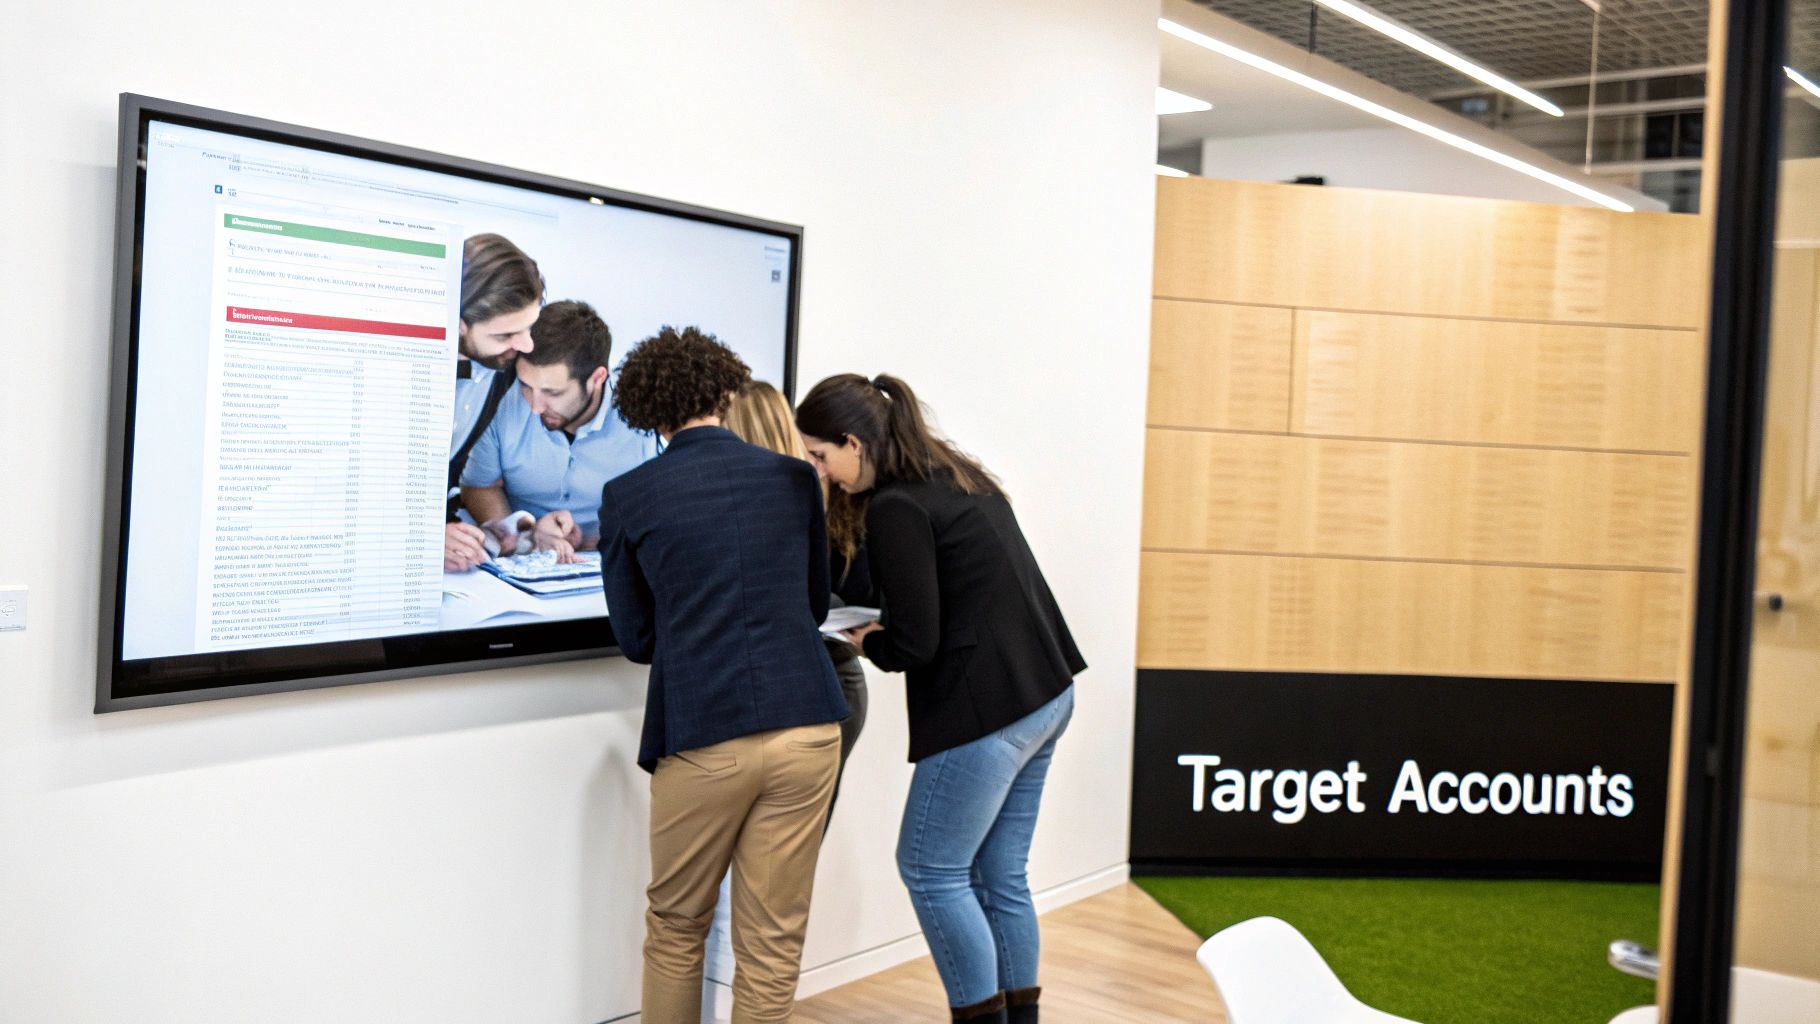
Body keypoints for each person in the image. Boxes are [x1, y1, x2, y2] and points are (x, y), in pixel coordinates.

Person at [795, 374, 1084, 1024]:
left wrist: (870, 641)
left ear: (852, 443)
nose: (821, 472)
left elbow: (915, 643)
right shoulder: (954, 477)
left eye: (820, 456)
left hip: (988, 710)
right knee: (1001, 873)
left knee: (931, 869)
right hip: (1045, 692)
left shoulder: (897, 507)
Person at [600, 327, 848, 1024]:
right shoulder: (794, 477)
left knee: (678, 927)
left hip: (704, 732)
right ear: (725, 390)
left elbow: (636, 638)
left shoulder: (628, 494)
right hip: (808, 726)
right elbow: (812, 605)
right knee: (772, 942)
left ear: (647, 412)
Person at [724, 379, 869, 811]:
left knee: (791, 835)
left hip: (821, 685)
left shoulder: (802, 498)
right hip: (824, 685)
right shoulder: (806, 492)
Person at [458, 300, 657, 560]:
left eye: (553, 392)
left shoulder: (643, 414)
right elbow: (479, 486)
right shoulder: (499, 400)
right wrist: (525, 538)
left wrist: (589, 540)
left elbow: (661, 509)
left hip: (612, 556)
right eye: (526, 386)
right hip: (522, 558)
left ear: (597, 379)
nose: (535, 407)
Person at [444, 233, 544, 571]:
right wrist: (419, 538)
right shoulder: (394, 371)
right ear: (459, 323)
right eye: (506, 335)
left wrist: (503, 530)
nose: (527, 345)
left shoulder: (511, 370)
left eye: (529, 327)